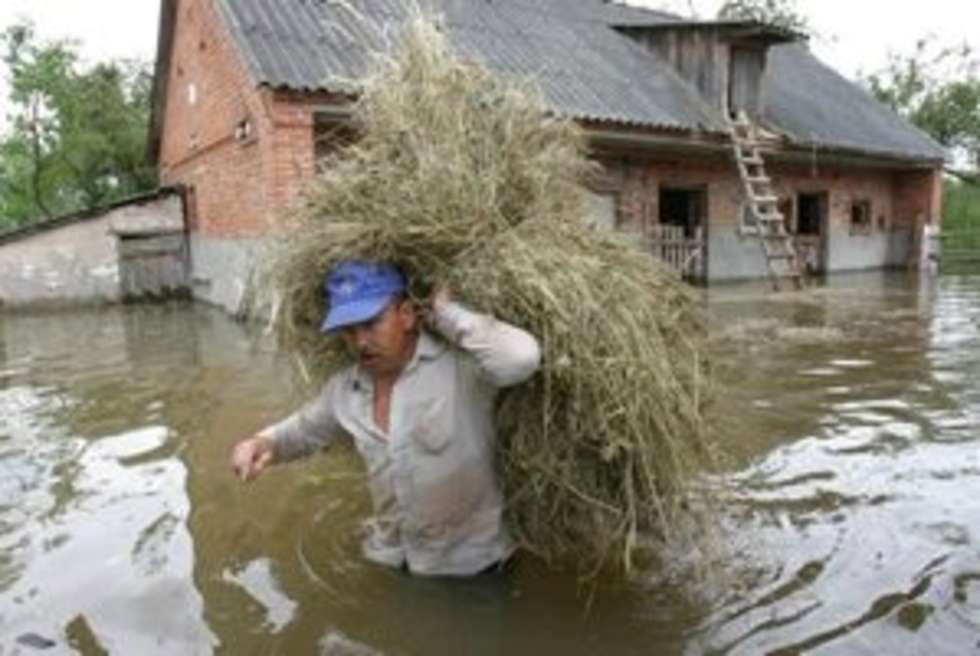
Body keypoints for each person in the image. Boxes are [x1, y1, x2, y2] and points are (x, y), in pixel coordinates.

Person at [230, 261, 541, 577]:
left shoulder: (462, 370)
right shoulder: (346, 389)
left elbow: (522, 358)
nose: (360, 342)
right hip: (391, 562)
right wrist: (262, 442)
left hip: (473, 570)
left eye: (371, 324)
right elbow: (304, 430)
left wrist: (443, 312)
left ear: (406, 315)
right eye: (349, 331)